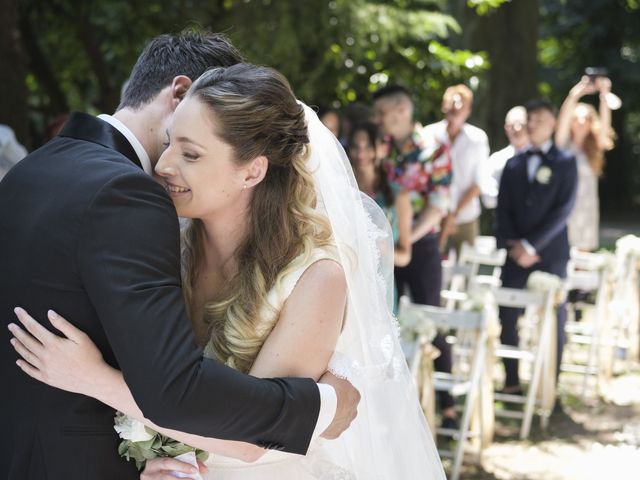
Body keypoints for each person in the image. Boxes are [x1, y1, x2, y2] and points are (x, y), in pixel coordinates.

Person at [9, 64, 446, 479]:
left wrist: (94, 379)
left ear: (253, 170)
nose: (162, 166)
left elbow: (253, 436)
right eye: (169, 142)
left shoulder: (315, 275)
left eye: (191, 154)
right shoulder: (167, 242)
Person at [372, 85, 457, 428]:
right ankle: (403, 406)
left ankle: (447, 407)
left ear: (401, 112)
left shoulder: (435, 150)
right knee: (389, 323)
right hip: (386, 245)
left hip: (421, 247)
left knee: (428, 321)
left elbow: (439, 207)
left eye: (381, 114)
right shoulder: (384, 149)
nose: (377, 120)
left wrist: (404, 239)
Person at [496, 98, 578, 394]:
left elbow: (563, 211)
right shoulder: (513, 163)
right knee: (506, 314)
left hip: (550, 253)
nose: (532, 124)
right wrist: (513, 244)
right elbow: (502, 209)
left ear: (553, 123)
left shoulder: (566, 162)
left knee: (555, 318)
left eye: (539, 119)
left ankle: (548, 387)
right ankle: (511, 381)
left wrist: (532, 245)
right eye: (530, 119)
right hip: (515, 255)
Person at [423, 85, 490, 254]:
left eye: (461, 105)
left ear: (468, 110)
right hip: (432, 215)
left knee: (465, 268)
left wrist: (454, 214)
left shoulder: (477, 139)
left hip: (466, 216)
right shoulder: (428, 134)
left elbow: (479, 183)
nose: (456, 108)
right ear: (444, 106)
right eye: (452, 103)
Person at [556, 75, 616, 251]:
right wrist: (575, 94)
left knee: (584, 252)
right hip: (565, 202)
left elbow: (605, 127)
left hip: (587, 205)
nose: (581, 122)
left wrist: (604, 95)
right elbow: (562, 121)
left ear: (591, 123)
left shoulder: (595, 149)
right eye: (577, 118)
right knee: (563, 249)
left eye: (586, 119)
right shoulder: (564, 145)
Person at [482, 106, 530, 209]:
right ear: (506, 129)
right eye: (512, 125)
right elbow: (488, 199)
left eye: (521, 124)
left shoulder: (540, 156)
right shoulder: (496, 160)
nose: (517, 129)